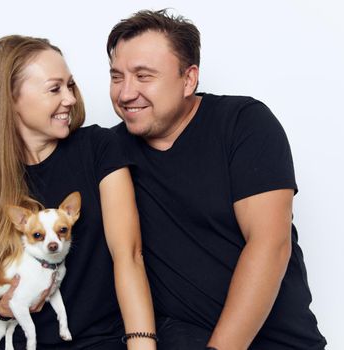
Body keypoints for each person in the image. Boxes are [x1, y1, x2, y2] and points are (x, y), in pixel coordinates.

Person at [107, 9, 327, 350]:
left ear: (188, 79)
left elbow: (270, 245)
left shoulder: (243, 124)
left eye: (143, 76)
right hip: (177, 338)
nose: (125, 93)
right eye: (117, 76)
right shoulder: (110, 153)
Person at [0, 35, 157, 350]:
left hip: (104, 340)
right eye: (54, 88)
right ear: (10, 97)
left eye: (70, 85)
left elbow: (129, 256)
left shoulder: (99, 148)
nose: (70, 99)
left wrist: (142, 345)